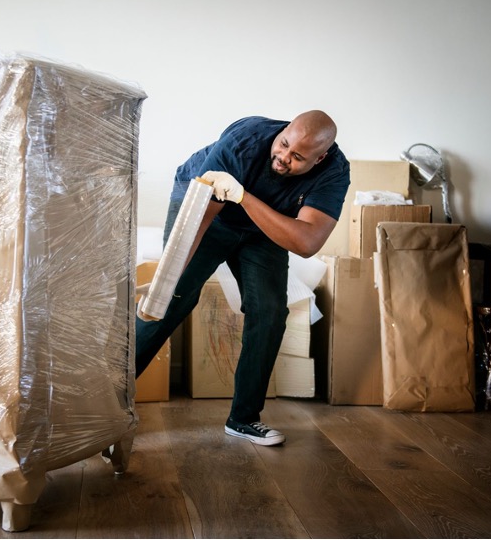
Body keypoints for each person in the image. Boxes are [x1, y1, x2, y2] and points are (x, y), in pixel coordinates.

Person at [136, 110, 350, 446]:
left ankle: (244, 418)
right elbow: (203, 216)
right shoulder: (245, 140)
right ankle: (109, 404)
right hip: (205, 205)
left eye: (297, 157)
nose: (282, 157)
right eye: (283, 145)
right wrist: (169, 275)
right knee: (172, 298)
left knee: (270, 311)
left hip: (262, 222)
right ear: (283, 131)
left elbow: (307, 242)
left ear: (320, 158)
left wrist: (244, 197)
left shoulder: (335, 172)